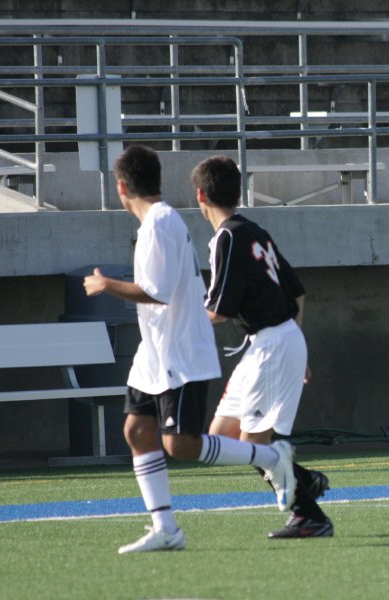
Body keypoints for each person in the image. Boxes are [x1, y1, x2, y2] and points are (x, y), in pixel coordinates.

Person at [84, 145, 296, 554]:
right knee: (136, 430)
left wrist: (106, 284)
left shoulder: (161, 221)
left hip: (180, 353)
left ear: (121, 186)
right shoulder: (154, 223)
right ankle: (165, 528)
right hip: (155, 353)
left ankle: (271, 458)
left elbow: (157, 293)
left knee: (181, 445)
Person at [193, 155, 333, 539]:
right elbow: (298, 292)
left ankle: (309, 515)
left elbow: (218, 311)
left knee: (255, 441)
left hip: (272, 344)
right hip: (270, 342)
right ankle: (304, 479)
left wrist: (175, 321)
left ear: (200, 195)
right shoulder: (254, 231)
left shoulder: (228, 237)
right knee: (222, 435)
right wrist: (297, 341)